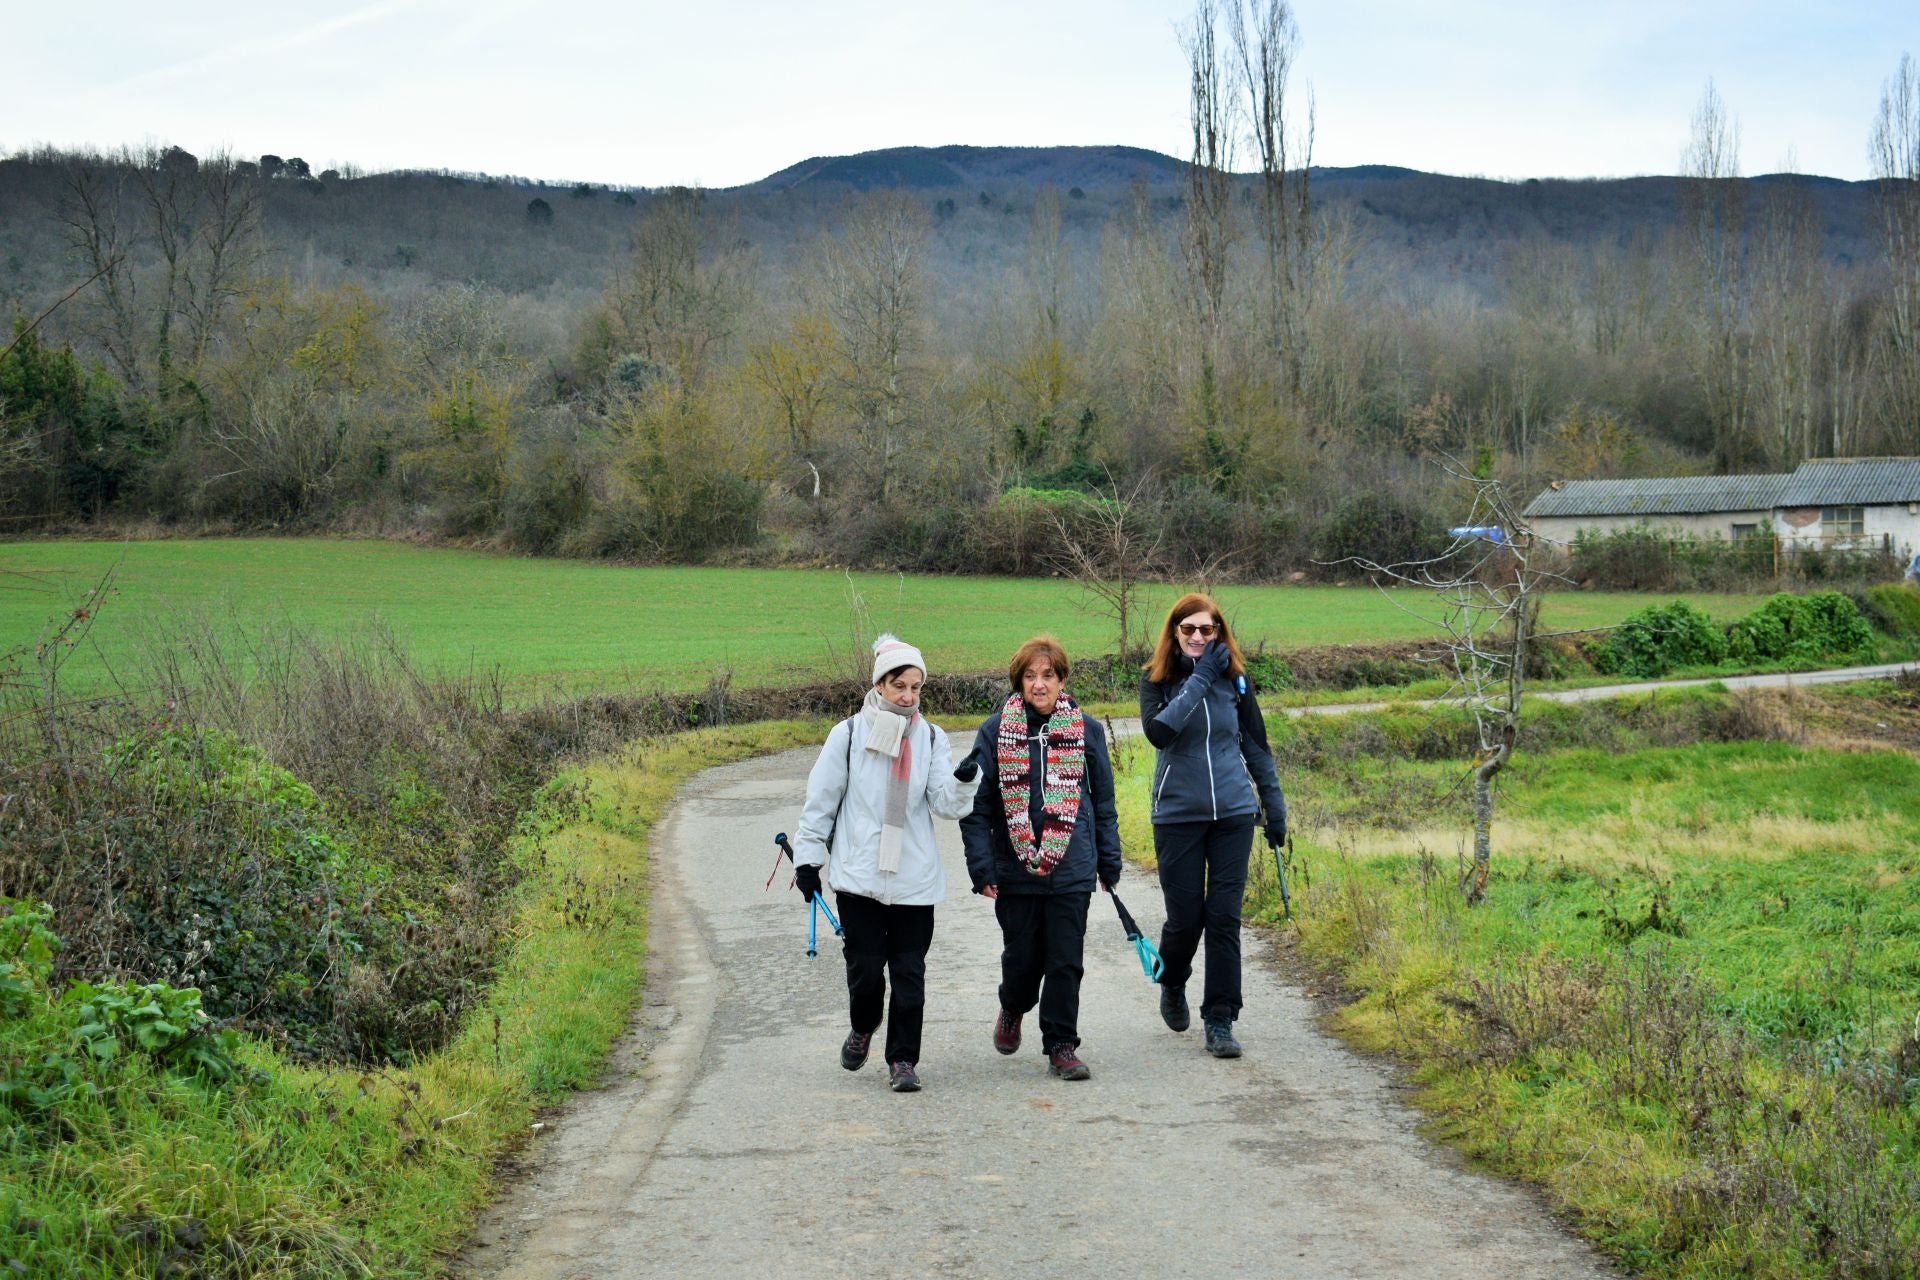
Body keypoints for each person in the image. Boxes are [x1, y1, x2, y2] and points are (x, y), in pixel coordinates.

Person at [791, 634, 981, 1093]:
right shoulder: (850, 734)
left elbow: (945, 805)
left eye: (916, 687)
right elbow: (822, 800)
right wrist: (808, 859)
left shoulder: (932, 737)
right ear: (879, 685)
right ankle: (863, 1026)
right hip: (859, 879)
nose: (908, 696)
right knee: (866, 973)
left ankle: (902, 1061)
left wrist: (963, 781)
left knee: (910, 975)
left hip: (915, 880)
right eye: (899, 685)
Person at [960, 636, 1121, 1081]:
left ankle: (1062, 1045)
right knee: (1023, 960)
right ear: (1019, 682)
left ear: (1062, 679)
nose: (1039, 684)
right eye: (1030, 676)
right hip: (1015, 870)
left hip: (1073, 869)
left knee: (1065, 961)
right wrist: (982, 867)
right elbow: (975, 806)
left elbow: (1103, 801)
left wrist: (1108, 859)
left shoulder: (1087, 730)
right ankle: (1012, 1006)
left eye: (1047, 675)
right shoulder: (995, 731)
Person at [1138, 594, 1287, 1059]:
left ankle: (1220, 1019)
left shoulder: (1237, 682)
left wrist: (1275, 805)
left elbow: (1257, 747)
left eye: (1208, 629)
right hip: (1178, 815)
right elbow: (1160, 732)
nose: (1199, 637)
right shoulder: (1156, 681)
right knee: (1186, 919)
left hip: (1234, 815)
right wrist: (1201, 677)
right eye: (1189, 630)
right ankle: (1172, 981)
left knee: (1224, 917)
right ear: (1175, 633)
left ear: (1220, 633)